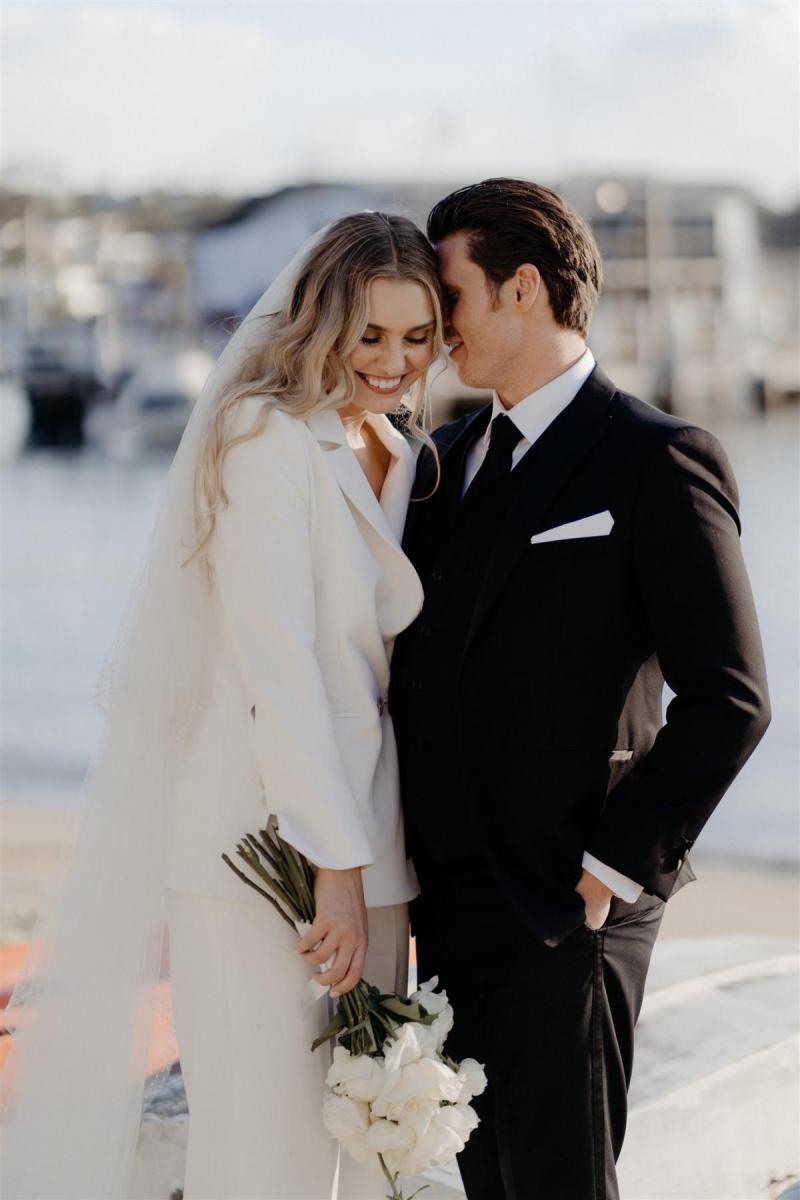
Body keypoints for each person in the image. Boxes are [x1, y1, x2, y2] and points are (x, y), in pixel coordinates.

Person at [1, 212, 444, 1200]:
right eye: (369, 334)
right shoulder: (260, 438)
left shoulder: (394, 446)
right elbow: (271, 662)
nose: (393, 360)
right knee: (262, 1155)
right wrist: (331, 860)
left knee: (374, 1146)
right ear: (321, 322)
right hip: (261, 851)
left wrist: (367, 865)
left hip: (370, 853)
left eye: (416, 337)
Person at [389, 178, 771, 1200]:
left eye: (451, 296)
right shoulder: (438, 464)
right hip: (446, 910)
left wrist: (609, 869)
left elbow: (730, 697)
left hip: (571, 904)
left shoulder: (656, 459)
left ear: (521, 289)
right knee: (484, 1181)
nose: (436, 332)